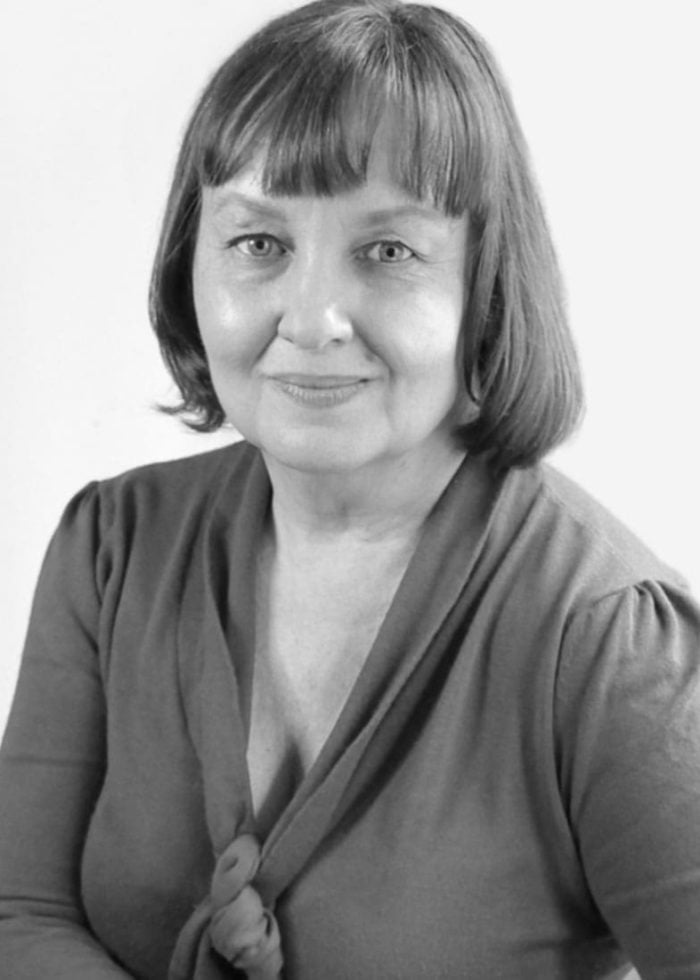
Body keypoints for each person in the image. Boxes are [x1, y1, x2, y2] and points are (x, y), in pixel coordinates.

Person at [0, 0, 699, 977]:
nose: (314, 316)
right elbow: (19, 912)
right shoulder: (110, 543)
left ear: (487, 287)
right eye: (259, 242)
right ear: (187, 266)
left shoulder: (609, 642)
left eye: (388, 250)